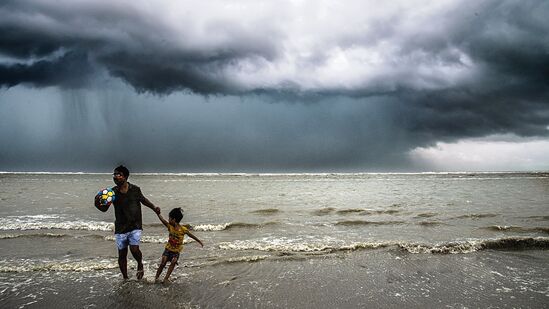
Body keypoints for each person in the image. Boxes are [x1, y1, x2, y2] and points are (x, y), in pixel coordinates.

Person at [94, 165, 161, 280]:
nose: (115, 177)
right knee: (122, 254)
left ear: (125, 177)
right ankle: (125, 278)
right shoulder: (112, 193)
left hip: (135, 225)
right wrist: (97, 203)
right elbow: (104, 209)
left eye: (118, 174)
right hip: (121, 227)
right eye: (114, 175)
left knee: (134, 249)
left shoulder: (135, 189)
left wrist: (154, 208)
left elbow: (143, 200)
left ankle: (140, 263)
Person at [155, 207, 203, 283]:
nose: (168, 220)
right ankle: (156, 278)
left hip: (176, 251)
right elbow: (162, 220)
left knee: (174, 261)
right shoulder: (169, 226)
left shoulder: (183, 229)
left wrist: (199, 241)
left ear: (174, 220)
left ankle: (166, 278)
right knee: (163, 262)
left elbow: (191, 235)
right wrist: (158, 214)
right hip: (168, 249)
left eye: (170, 218)